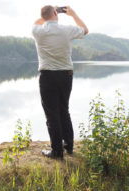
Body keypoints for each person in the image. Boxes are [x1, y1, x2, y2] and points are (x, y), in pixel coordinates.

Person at [32, 5, 88, 159]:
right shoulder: (67, 30)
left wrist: (50, 12)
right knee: (64, 110)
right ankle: (68, 146)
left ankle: (57, 152)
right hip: (66, 75)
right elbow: (85, 29)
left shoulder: (38, 32)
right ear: (56, 13)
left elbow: (38, 21)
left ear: (44, 16)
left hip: (47, 76)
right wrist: (73, 14)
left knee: (52, 114)